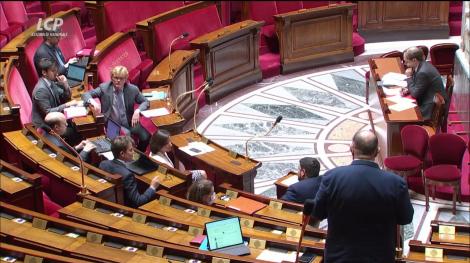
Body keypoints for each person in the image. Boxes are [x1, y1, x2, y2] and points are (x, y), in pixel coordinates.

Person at [311, 130, 414, 263]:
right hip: (379, 258)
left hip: (340, 257)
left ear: (351, 149)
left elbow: (317, 212)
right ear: (377, 151)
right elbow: (406, 218)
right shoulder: (395, 183)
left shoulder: (332, 178)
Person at [82, 66, 151, 152]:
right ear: (111, 77)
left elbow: (146, 102)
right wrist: (92, 102)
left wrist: (138, 110)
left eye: (121, 78)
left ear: (126, 79)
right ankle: (128, 159)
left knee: (146, 136)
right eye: (116, 78)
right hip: (113, 124)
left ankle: (140, 154)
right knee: (127, 139)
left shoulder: (132, 89)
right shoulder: (104, 88)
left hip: (130, 121)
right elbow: (86, 95)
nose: (118, 80)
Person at [99, 136, 160, 208]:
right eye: (131, 150)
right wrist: (152, 187)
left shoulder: (103, 164)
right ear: (122, 154)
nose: (133, 152)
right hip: (127, 208)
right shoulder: (127, 175)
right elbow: (138, 201)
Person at [31, 58, 81, 139]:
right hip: (46, 126)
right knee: (76, 132)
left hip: (56, 120)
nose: (56, 73)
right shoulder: (41, 90)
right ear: (44, 72)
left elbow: (66, 97)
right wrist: (67, 105)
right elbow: (48, 112)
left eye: (56, 70)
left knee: (76, 126)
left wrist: (65, 84)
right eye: (53, 71)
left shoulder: (51, 82)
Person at [401, 46, 449, 120]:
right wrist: (408, 89)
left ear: (414, 60)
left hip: (430, 107)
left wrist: (408, 77)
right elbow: (418, 83)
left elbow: (415, 94)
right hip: (428, 98)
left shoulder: (423, 72)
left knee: (404, 115)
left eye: (406, 61)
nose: (405, 64)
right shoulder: (422, 64)